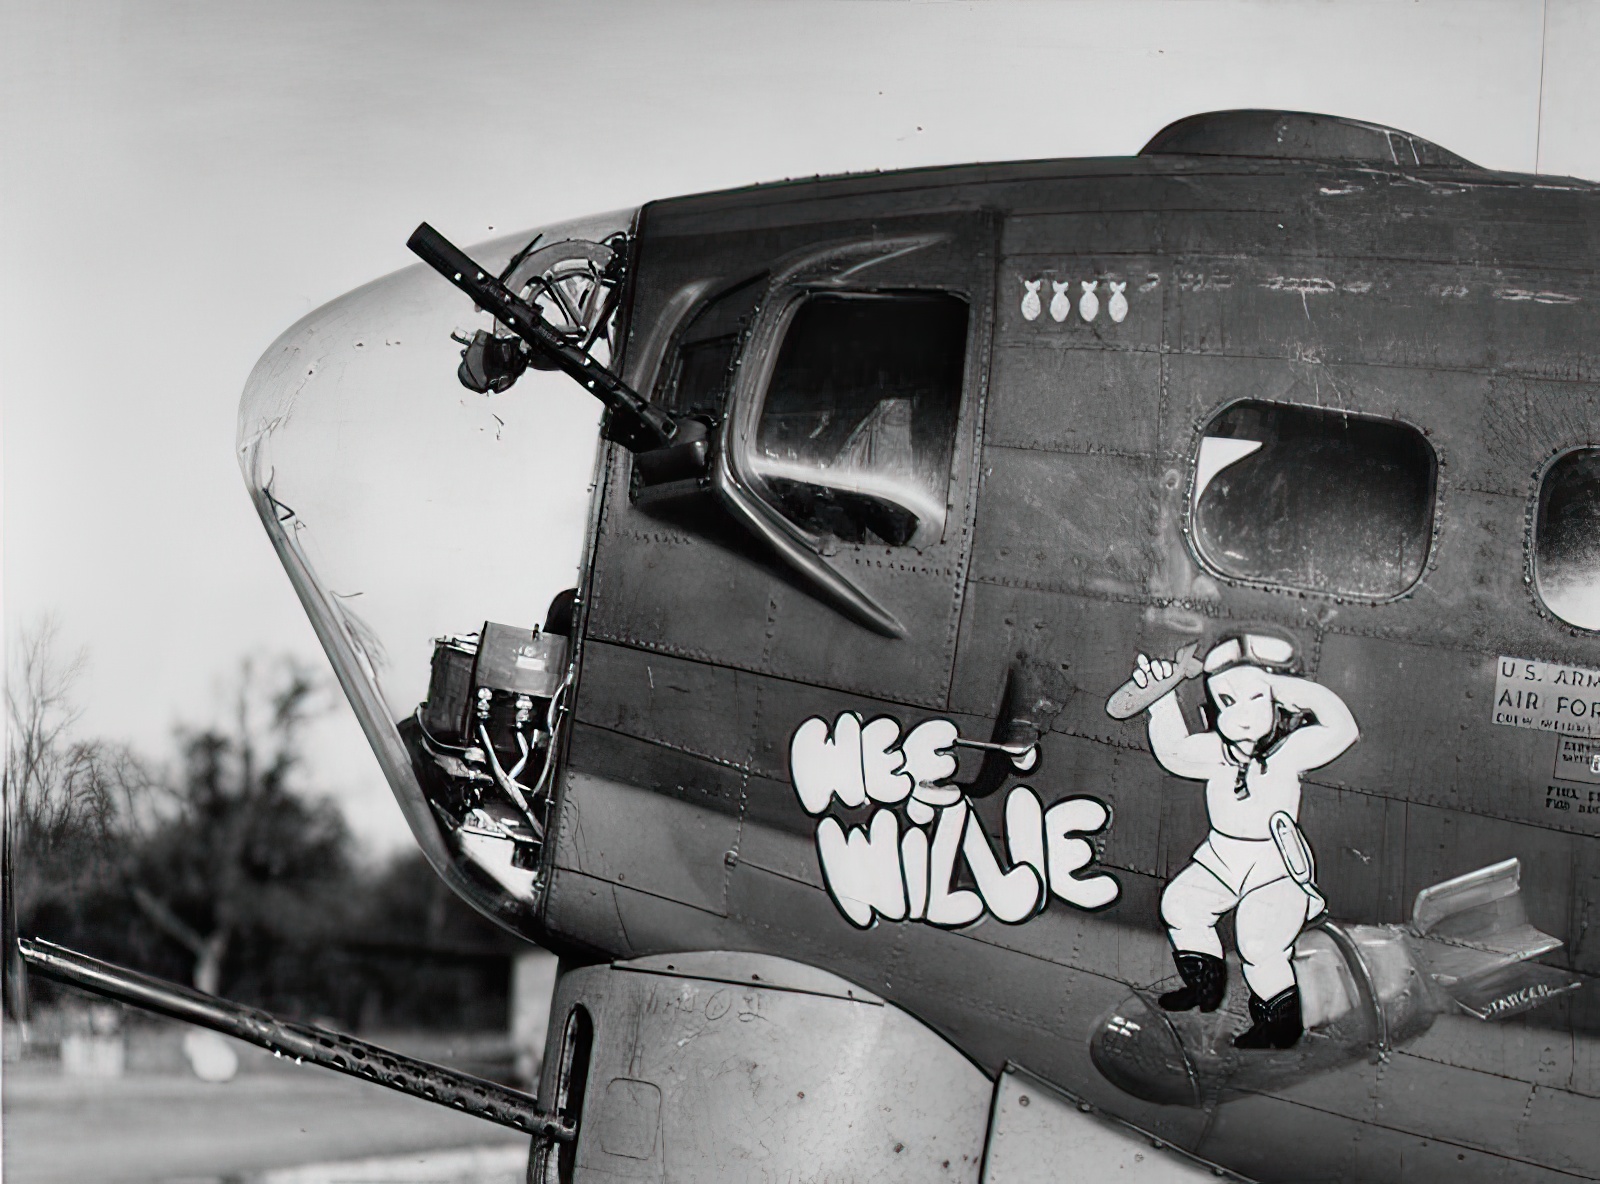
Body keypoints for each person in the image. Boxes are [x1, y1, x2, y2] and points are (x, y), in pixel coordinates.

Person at [1127, 634, 1358, 1049]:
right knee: (1182, 905)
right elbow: (1174, 752)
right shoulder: (1219, 751)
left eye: (1256, 698)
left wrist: (1292, 690)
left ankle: (1279, 1024)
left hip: (1274, 866)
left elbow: (1343, 729)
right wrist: (1160, 699)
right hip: (1222, 854)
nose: (1243, 717)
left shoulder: (1290, 752)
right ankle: (1204, 986)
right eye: (1229, 702)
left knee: (1259, 942)